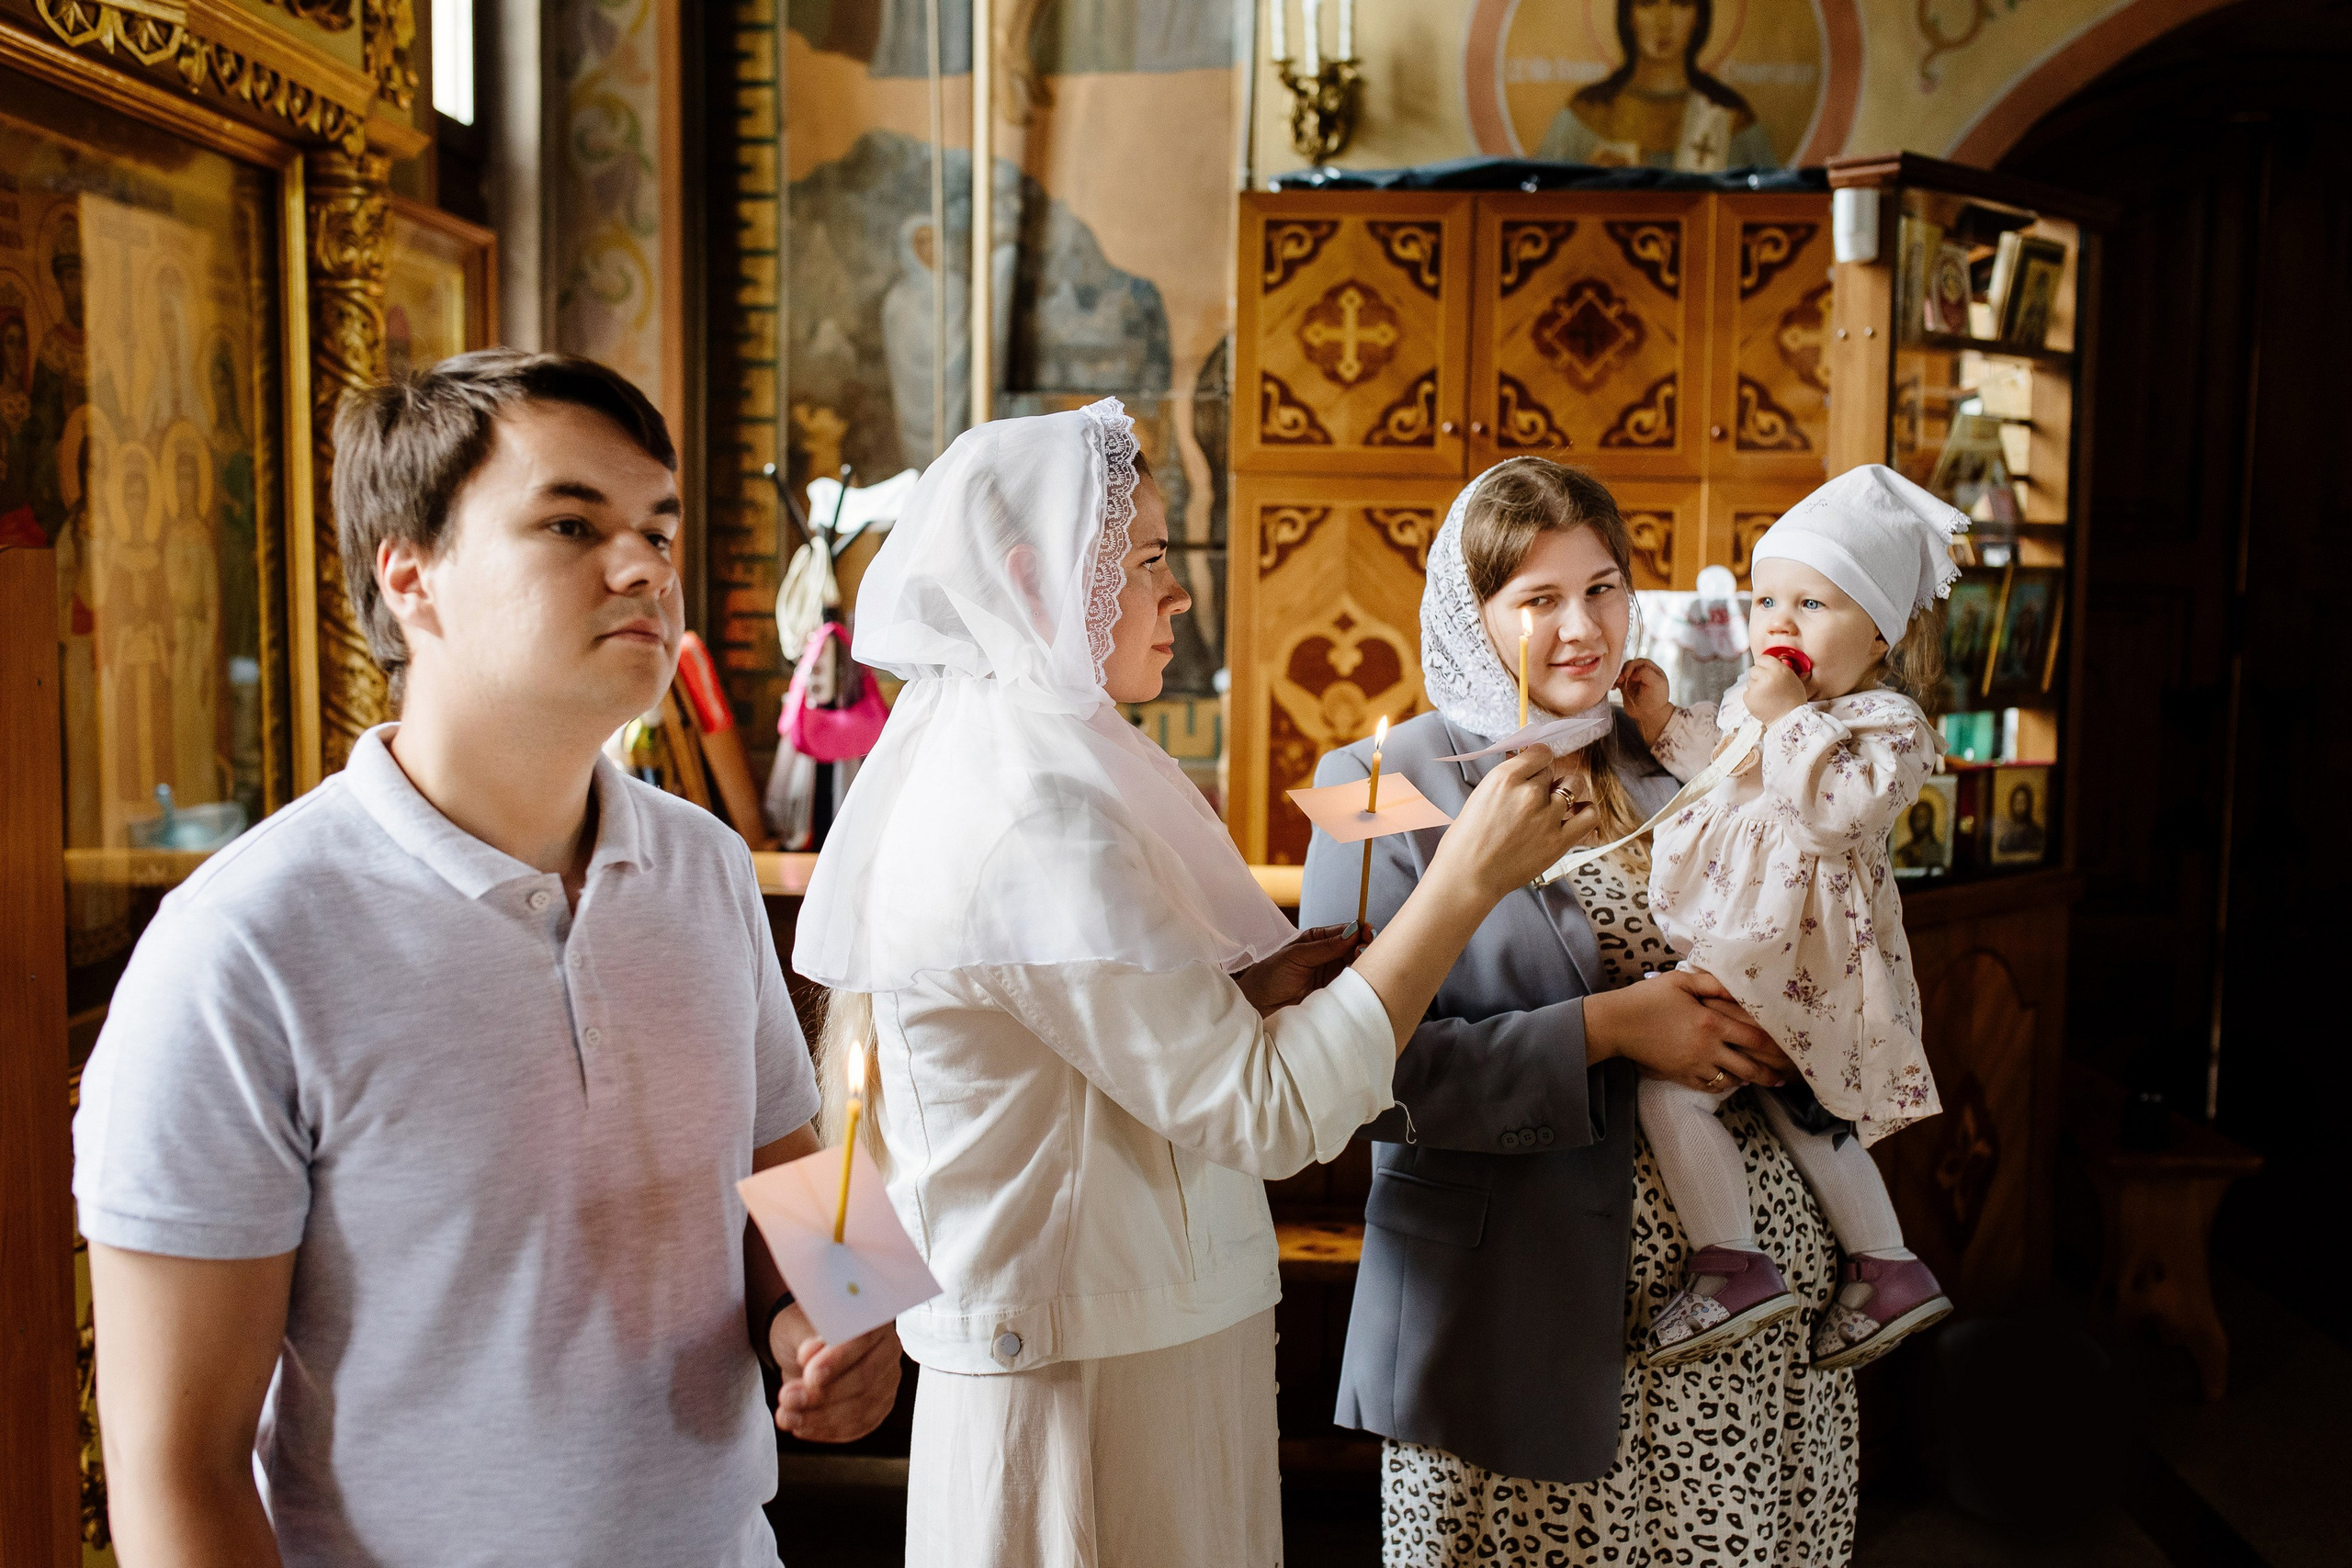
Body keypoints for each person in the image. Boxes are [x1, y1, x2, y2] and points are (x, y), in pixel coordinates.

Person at [73, 350, 901, 1568]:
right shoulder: (244, 944)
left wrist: (848, 1326)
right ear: (412, 577)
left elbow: (799, 1184)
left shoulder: (704, 865)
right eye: (571, 522)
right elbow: (175, 1463)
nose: (642, 568)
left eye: (658, 531)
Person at [791, 400, 1584, 1568]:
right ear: (1034, 577)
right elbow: (1268, 1116)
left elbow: (1011, 1052)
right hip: (1087, 1372)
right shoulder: (1029, 811)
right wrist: (1458, 884)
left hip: (1115, 1328)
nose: (1180, 596)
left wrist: (1247, 991)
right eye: (1149, 559)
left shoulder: (1007, 756)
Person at [1300, 457, 1858, 1563]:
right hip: (1518, 1316)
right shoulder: (1373, 782)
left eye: (1602, 588)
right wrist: (1610, 1028)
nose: (1581, 629)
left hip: (1744, 1309)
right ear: (1472, 612)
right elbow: (1352, 1080)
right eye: (1538, 599)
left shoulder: (1685, 753)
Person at [1623, 463, 1958, 1371]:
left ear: (1878, 631)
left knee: (1667, 1088)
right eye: (1767, 596)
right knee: (1801, 1112)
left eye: (1812, 603)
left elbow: (1840, 810)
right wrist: (1663, 724)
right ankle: (1887, 1267)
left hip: (1794, 955)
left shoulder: (1887, 725)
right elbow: (1718, 752)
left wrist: (1786, 722)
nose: (1778, 619)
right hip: (1763, 953)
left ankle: (1729, 1263)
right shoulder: (1762, 704)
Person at [1535, 0, 1777, 172]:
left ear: (1699, 17)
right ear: (1628, 15)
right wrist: (1591, 184)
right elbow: (1540, 203)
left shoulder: (1729, 116)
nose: (1664, 23)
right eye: (1648, 3)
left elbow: (1770, 207)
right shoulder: (1587, 113)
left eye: (1681, 4)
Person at [1894, 795, 1948, 869]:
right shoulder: (1903, 851)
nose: (1917, 822)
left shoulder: (1939, 851)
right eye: (1915, 817)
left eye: (1922, 817)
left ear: (1930, 820)